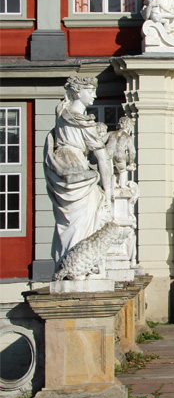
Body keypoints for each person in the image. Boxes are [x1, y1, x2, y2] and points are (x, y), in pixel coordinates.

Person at [45, 76, 114, 266]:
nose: (94, 95)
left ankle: (65, 260)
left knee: (67, 221)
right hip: (76, 167)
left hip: (62, 165)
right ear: (77, 92)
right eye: (90, 91)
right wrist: (108, 191)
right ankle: (78, 264)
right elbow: (102, 158)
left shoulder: (61, 113)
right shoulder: (84, 123)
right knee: (86, 216)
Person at [105, 116, 136, 187]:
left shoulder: (111, 133)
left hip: (108, 154)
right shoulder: (127, 137)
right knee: (122, 171)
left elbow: (100, 141)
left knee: (111, 171)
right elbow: (132, 152)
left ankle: (113, 185)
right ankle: (122, 185)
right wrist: (131, 162)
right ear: (129, 127)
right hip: (119, 155)